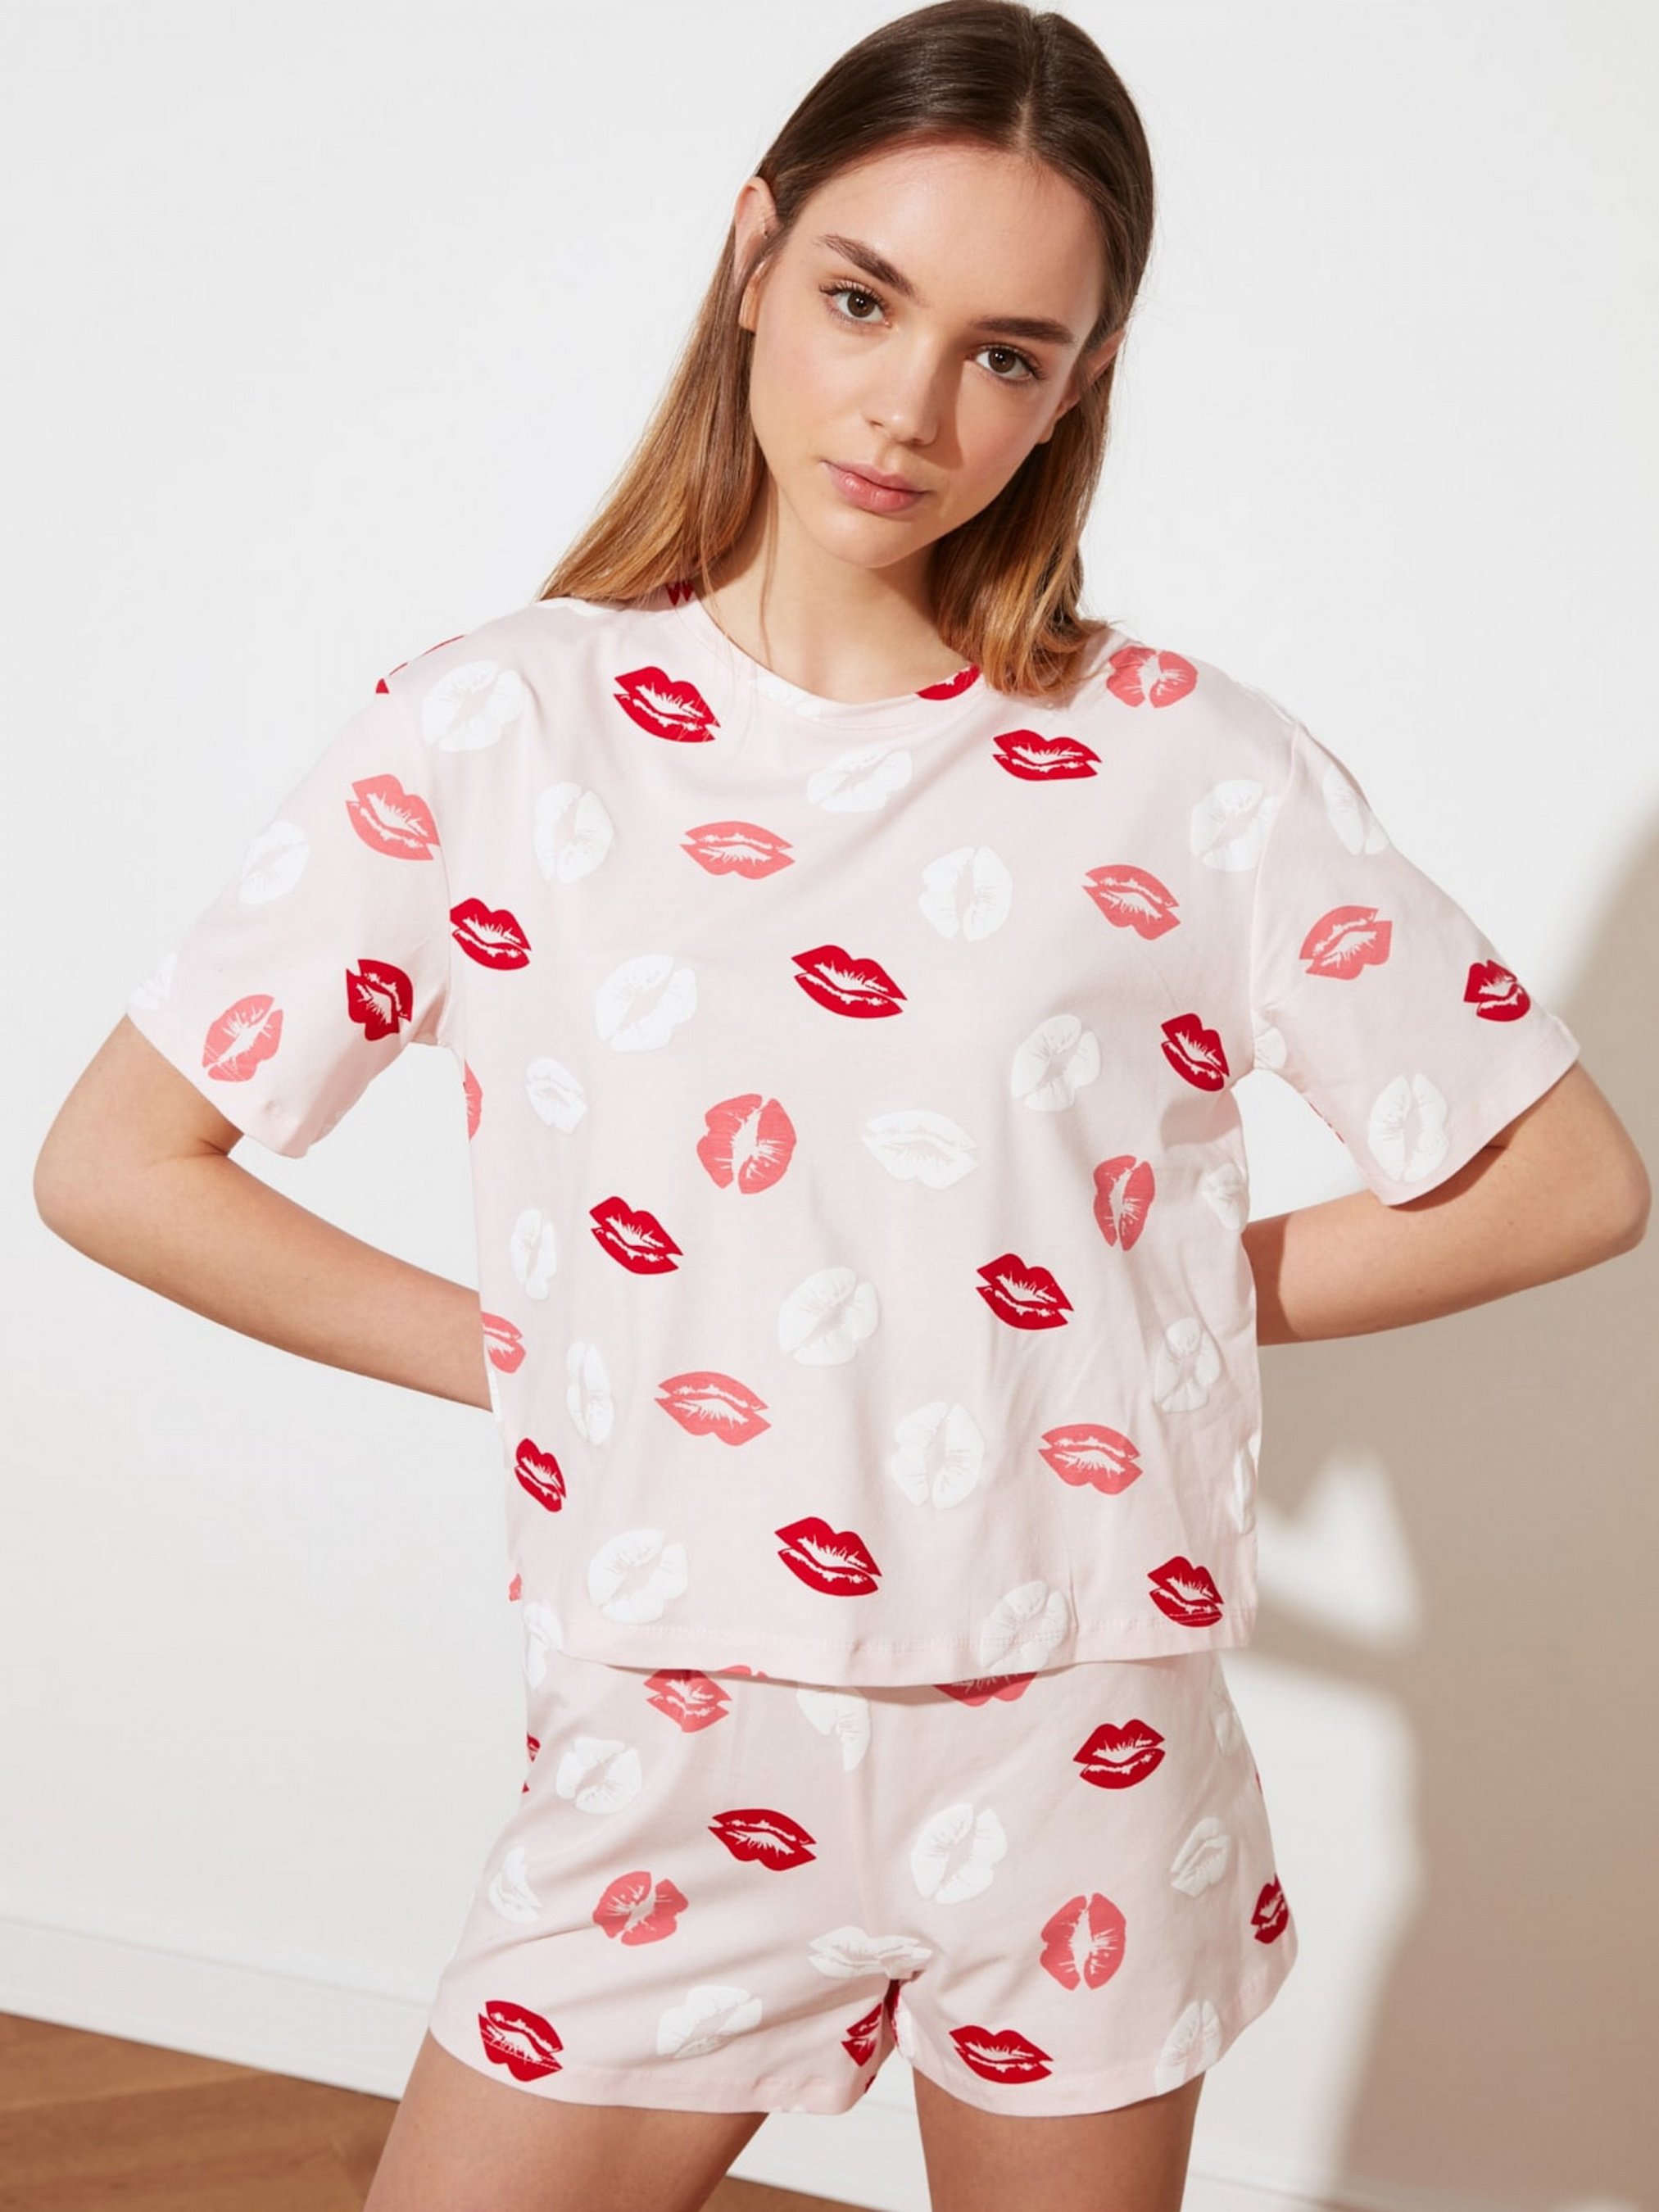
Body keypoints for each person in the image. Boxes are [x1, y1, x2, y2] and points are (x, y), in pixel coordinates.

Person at [32, 4, 1649, 2210]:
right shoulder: (500, 732)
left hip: (1079, 1739)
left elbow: (1560, 1180)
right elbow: (118, 1166)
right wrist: (545, 1349)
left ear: (1081, 380)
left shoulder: (1188, 768)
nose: (908, 407)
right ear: (752, 258)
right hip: (671, 1731)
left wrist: (1136, 1295)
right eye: (863, 300)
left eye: (1006, 351)